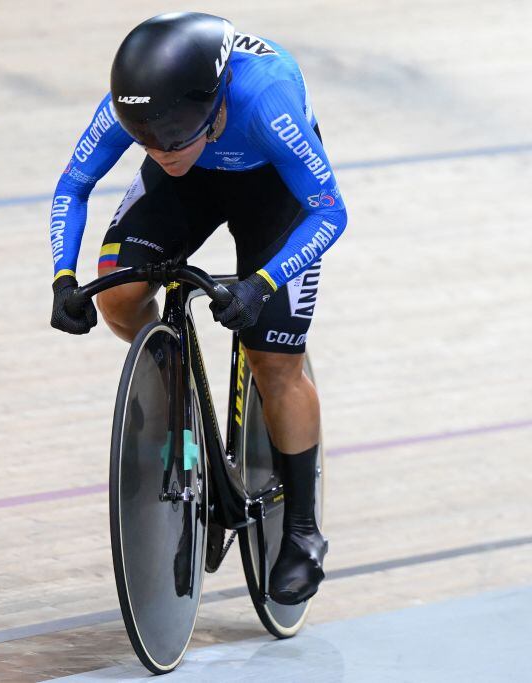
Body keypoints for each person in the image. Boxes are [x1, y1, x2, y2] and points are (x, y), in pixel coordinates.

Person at [48, 12, 346, 605]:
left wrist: (261, 285)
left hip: (274, 190)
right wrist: (62, 277)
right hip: (192, 184)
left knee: (273, 361)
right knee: (120, 294)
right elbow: (72, 185)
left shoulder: (267, 100)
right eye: (146, 140)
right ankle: (172, 397)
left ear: (212, 107)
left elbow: (330, 211)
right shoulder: (145, 116)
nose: (160, 150)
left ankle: (305, 533)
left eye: (173, 135)